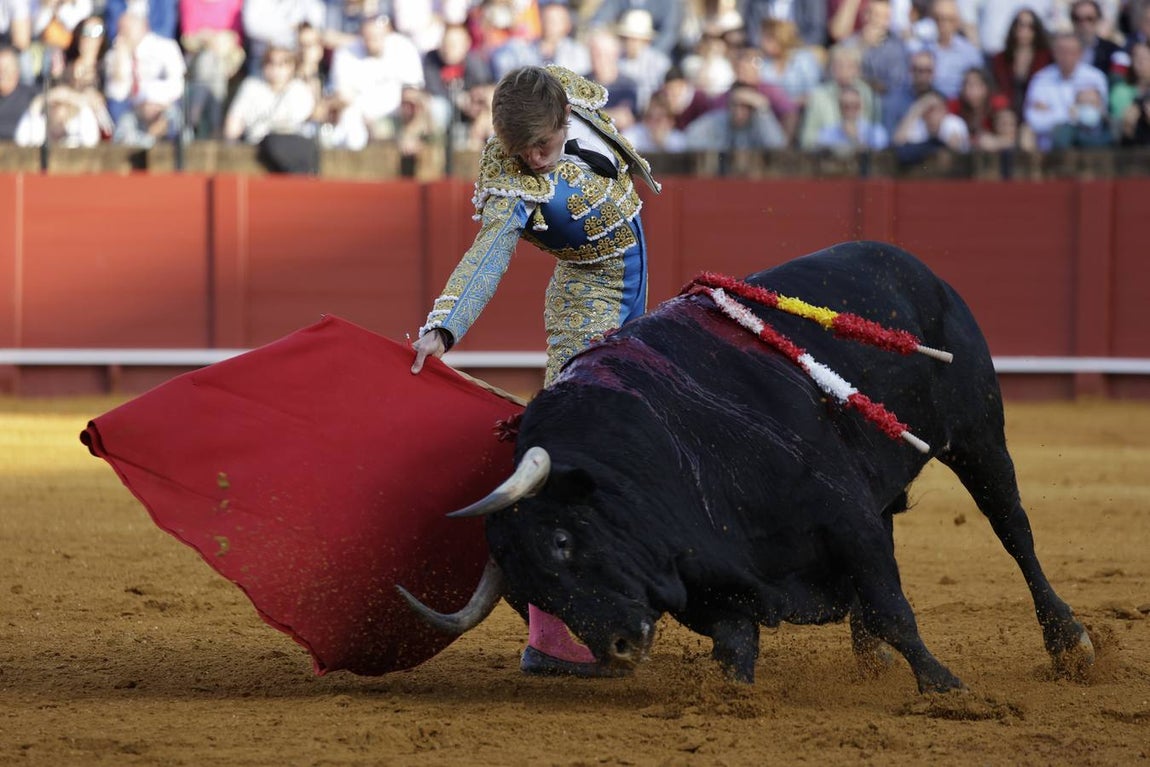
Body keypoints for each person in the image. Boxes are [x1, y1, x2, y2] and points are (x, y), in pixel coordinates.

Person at [409, 65, 659, 678]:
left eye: (543, 147)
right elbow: (486, 256)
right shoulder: (511, 183)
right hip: (588, 300)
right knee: (573, 455)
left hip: (630, 281)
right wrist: (444, 327)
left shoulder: (558, 89)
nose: (536, 162)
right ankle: (547, 632)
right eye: (522, 152)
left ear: (563, 118)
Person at [1023, 31, 1108, 149]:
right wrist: (1071, 113)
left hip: (1087, 148)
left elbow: (1096, 118)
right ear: (1054, 53)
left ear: (1080, 53)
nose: (1066, 56)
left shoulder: (1095, 77)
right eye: (1062, 51)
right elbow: (1033, 119)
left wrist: (1050, 112)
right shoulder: (1041, 79)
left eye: (1071, 52)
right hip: (1048, 151)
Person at [222, 45, 314, 144]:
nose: (275, 68)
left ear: (292, 66)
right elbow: (233, 125)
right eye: (270, 62)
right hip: (256, 146)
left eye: (283, 63)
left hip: (291, 147)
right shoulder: (251, 86)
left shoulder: (300, 90)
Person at [988, 9, 1053, 119]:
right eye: (1020, 25)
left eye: (1030, 26)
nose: (1024, 30)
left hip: (1037, 112)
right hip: (1006, 113)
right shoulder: (1000, 58)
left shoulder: (1046, 57)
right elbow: (994, 87)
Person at [0, 44, 35, 139]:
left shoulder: (30, 95)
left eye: (6, 68)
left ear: (16, 71)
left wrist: (38, 103)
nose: (1, 72)